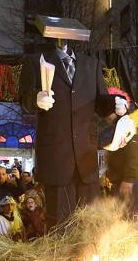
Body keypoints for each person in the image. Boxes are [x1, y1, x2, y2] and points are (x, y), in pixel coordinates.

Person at [19, 44, 124, 226]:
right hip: (56, 157)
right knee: (60, 224)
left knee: (90, 224)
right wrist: (36, 98)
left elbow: (101, 101)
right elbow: (24, 98)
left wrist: (115, 103)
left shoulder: (92, 64)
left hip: (86, 157)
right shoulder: (36, 61)